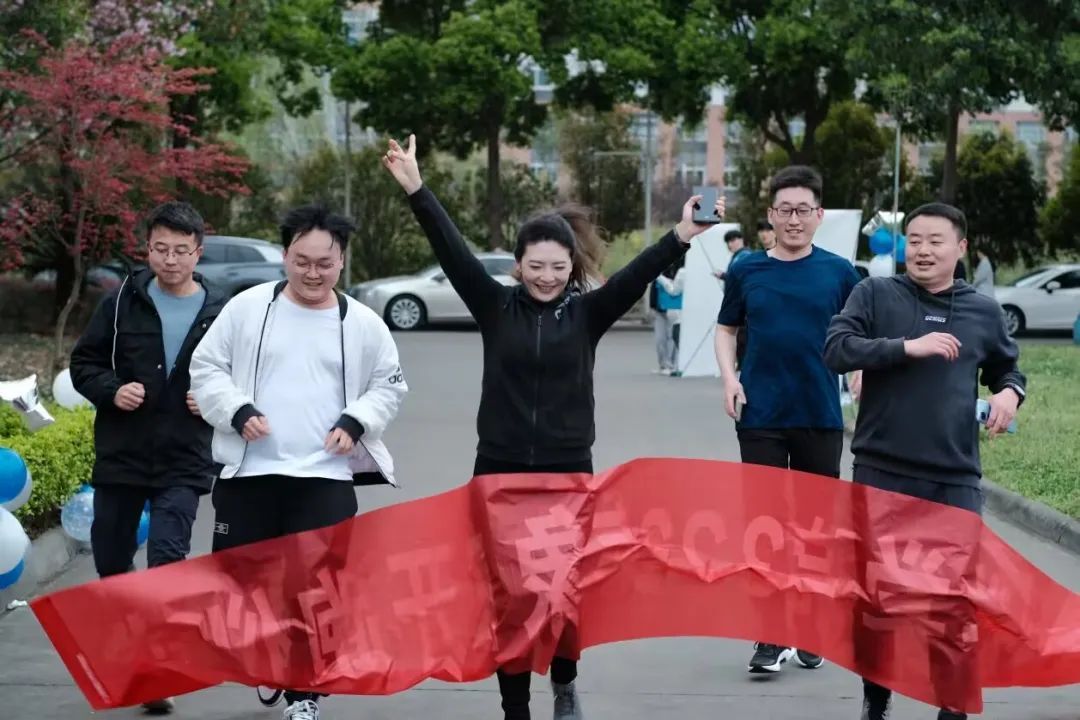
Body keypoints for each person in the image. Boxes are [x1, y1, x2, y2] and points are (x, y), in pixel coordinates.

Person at [382, 133, 721, 720]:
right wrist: (416, 188)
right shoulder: (494, 306)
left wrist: (682, 234)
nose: (546, 277)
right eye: (535, 267)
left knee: (563, 591)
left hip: (567, 474)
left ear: (573, 267)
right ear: (518, 266)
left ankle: (565, 682)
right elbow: (451, 250)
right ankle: (515, 708)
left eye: (558, 267)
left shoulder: (587, 313)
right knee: (510, 597)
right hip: (499, 473)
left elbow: (637, 273)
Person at [189, 204, 408, 720]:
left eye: (325, 264)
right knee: (245, 582)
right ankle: (273, 659)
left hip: (323, 477)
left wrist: (356, 421)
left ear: (342, 261)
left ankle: (304, 693)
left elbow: (389, 386)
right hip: (251, 473)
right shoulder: (247, 309)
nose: (313, 273)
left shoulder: (363, 324)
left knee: (317, 590)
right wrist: (237, 410)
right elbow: (207, 367)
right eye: (302, 261)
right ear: (285, 256)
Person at [824, 202, 1025, 720]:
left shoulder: (983, 311)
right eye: (914, 240)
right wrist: (905, 348)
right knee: (879, 598)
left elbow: (1008, 370)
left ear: (960, 248)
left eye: (935, 241)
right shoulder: (875, 294)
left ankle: (951, 703)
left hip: (952, 475)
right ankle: (876, 696)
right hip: (882, 469)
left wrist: (1009, 394)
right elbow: (837, 349)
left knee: (952, 598)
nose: (922, 250)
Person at [69, 201, 227, 715]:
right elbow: (84, 363)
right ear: (147, 249)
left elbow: (245, 374)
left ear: (198, 252)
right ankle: (137, 644)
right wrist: (112, 390)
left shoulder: (221, 311)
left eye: (181, 250)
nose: (170, 260)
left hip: (185, 456)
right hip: (123, 453)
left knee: (166, 559)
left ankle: (158, 669)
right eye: (161, 249)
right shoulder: (120, 304)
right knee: (112, 560)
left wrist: (215, 401)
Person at [714, 165, 862, 674]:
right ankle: (771, 636)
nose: (793, 220)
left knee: (816, 529)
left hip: (819, 414)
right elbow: (726, 329)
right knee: (766, 526)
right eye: (785, 210)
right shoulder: (747, 269)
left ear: (819, 215)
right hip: (761, 415)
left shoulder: (840, 272)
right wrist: (729, 379)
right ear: (771, 215)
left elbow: (859, 332)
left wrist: (860, 370)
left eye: (803, 210)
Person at [655, 256, 687, 374]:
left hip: (675, 309)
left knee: (674, 336)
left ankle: (673, 365)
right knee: (673, 337)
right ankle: (673, 364)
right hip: (684, 308)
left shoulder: (683, 272)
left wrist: (661, 279)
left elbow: (673, 290)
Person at [649, 266, 677, 374]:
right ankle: (663, 364)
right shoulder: (659, 269)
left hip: (673, 308)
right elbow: (653, 289)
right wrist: (652, 306)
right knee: (660, 339)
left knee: (671, 337)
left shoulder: (677, 269)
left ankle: (670, 364)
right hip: (659, 309)